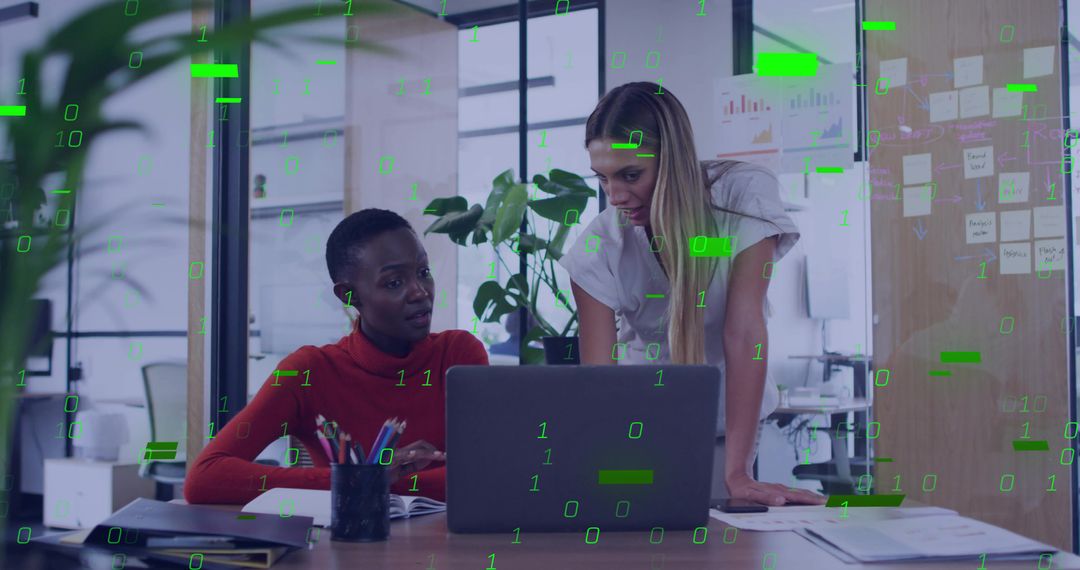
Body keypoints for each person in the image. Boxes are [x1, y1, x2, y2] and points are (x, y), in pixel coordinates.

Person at [559, 81, 825, 506]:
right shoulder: (597, 247)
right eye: (603, 178)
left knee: (730, 528)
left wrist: (738, 473)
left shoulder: (742, 195)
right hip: (640, 428)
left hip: (728, 424)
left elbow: (744, 333)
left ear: (672, 159)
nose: (616, 196)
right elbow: (600, 381)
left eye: (631, 175)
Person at [184, 209, 489, 504]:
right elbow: (204, 478)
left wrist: (372, 481)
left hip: (446, 538)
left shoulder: (458, 354)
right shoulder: (309, 372)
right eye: (394, 282)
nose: (420, 292)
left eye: (423, 273)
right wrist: (357, 477)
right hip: (349, 538)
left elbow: (486, 474)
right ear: (349, 295)